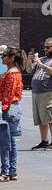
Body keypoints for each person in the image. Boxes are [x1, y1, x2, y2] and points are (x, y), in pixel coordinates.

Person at [30, 39, 52, 152]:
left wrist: (41, 65)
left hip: (49, 92)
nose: (45, 49)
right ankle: (44, 141)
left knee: (51, 117)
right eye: (44, 47)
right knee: (41, 118)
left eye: (48, 47)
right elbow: (29, 69)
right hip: (37, 92)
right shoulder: (43, 59)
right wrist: (30, 60)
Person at [0, 47, 24, 181]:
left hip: (8, 107)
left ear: (11, 58)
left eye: (4, 55)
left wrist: (3, 108)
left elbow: (8, 95)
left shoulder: (10, 74)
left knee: (4, 142)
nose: (2, 57)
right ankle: (12, 171)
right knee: (11, 142)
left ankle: (4, 172)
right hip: (14, 107)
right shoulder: (16, 72)